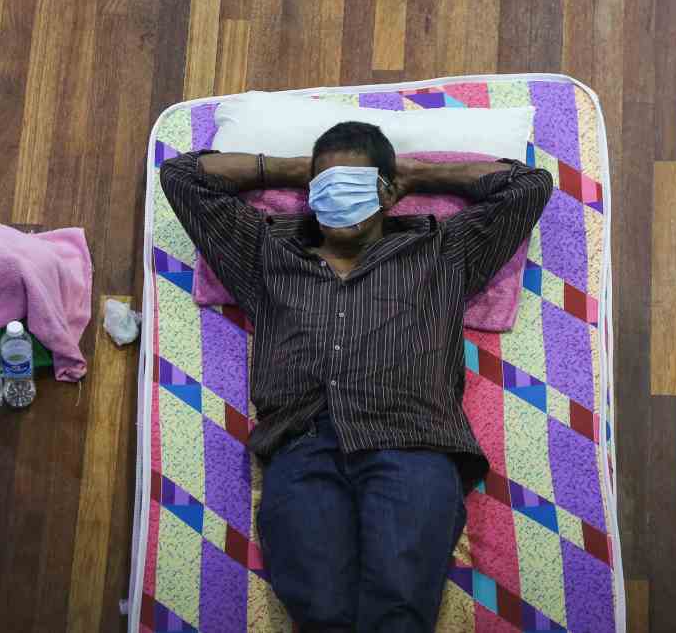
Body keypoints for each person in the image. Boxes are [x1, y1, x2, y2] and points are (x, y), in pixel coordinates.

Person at [160, 121, 553, 632]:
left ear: (386, 193)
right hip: (300, 447)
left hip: (411, 442)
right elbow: (183, 176)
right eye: (327, 185)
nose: (338, 193)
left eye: (355, 183)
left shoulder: (443, 249)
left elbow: (527, 186)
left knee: (397, 611)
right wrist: (298, 168)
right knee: (322, 614)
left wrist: (413, 174)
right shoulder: (265, 252)